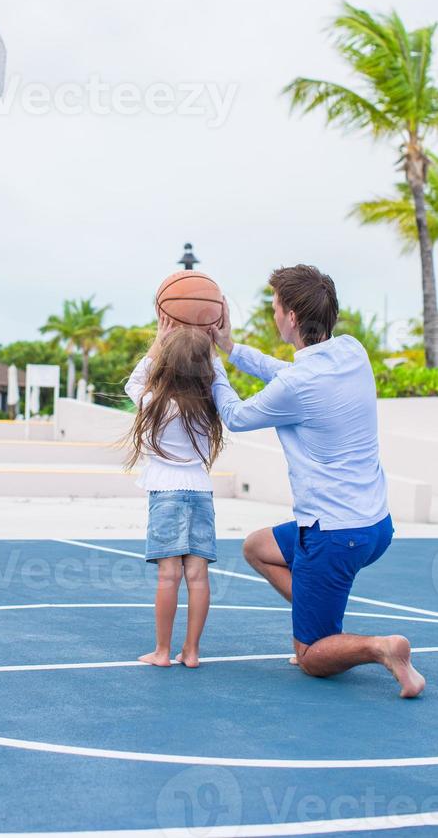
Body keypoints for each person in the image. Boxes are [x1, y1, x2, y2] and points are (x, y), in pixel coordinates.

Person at [210, 264, 425, 698]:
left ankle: (379, 648)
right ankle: (321, 618)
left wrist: (211, 366)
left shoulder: (298, 384)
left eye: (275, 307)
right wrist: (230, 348)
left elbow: (234, 415)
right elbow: (286, 376)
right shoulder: (352, 351)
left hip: (332, 535)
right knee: (257, 547)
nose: (273, 314)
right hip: (376, 527)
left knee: (309, 657)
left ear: (290, 318)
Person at [125, 317, 224, 668]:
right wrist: (212, 346)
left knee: (169, 576)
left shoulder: (154, 403)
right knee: (198, 576)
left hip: (166, 493)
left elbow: (134, 381)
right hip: (200, 492)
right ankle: (192, 652)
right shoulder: (210, 406)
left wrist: (158, 339)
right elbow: (219, 379)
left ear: (167, 363)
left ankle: (163, 652)